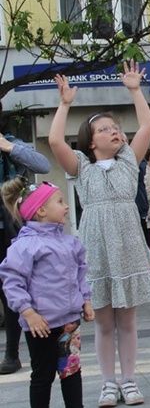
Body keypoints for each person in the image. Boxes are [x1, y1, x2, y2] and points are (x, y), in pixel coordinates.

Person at [48, 63, 150, 406]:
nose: (113, 131)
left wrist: (134, 90)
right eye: (103, 129)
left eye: (115, 127)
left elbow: (145, 125)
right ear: (90, 140)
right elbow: (54, 139)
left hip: (127, 246)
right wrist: (65, 104)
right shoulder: (81, 166)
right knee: (103, 323)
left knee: (127, 320)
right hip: (96, 249)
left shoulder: (130, 159)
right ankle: (108, 384)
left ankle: (129, 381)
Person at [0, 178, 94, 408]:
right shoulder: (25, 246)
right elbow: (12, 281)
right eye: (60, 201)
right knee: (42, 375)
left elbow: (80, 273)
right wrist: (28, 311)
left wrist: (86, 300)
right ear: (41, 210)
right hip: (40, 325)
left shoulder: (69, 242)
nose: (66, 206)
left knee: (71, 371)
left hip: (69, 321)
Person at [0, 103, 51, 376]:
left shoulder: (11, 144)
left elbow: (43, 165)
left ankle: (12, 354)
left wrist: (9, 148)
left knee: (13, 289)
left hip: (11, 228)